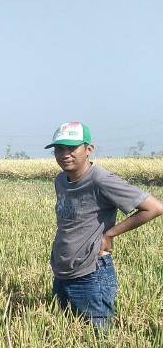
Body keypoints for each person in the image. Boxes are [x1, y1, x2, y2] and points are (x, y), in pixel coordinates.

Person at [46, 121, 163, 331]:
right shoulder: (60, 180)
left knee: (98, 341)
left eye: (72, 148)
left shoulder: (101, 180)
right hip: (62, 270)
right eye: (59, 149)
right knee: (65, 334)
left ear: (89, 149)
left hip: (91, 273)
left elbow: (153, 208)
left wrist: (110, 234)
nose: (65, 154)